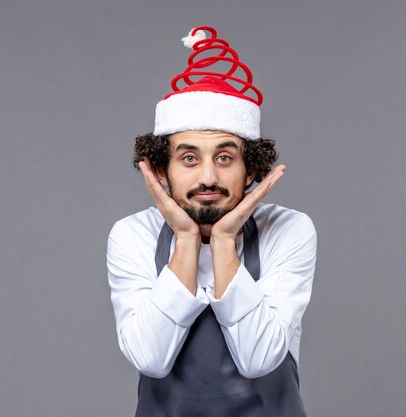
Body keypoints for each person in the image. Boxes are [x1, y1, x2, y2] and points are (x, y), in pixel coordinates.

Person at [107, 26, 317, 417]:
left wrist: (222, 241)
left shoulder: (289, 230)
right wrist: (186, 239)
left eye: (224, 158)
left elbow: (259, 358)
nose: (207, 177)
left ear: (251, 168)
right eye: (189, 159)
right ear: (160, 170)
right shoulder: (132, 235)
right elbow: (151, 359)